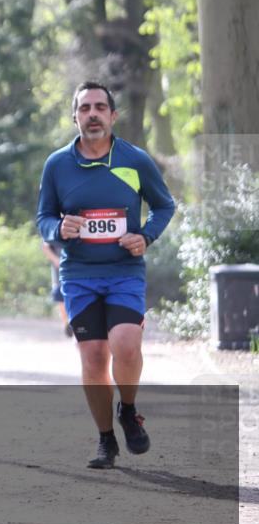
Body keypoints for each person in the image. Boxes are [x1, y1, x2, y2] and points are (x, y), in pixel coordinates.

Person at [36, 80, 175, 469]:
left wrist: (145, 236)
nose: (92, 114)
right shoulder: (57, 165)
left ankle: (128, 410)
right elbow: (44, 216)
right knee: (94, 357)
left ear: (113, 116)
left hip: (124, 271)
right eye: (84, 108)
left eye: (100, 107)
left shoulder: (135, 160)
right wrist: (56, 229)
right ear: (75, 116)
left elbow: (164, 206)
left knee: (126, 344)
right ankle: (105, 440)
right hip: (79, 274)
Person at [40, 240, 72, 337]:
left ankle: (72, 323)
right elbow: (45, 246)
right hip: (60, 273)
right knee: (61, 298)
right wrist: (56, 260)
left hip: (77, 270)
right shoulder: (54, 226)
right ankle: (67, 324)